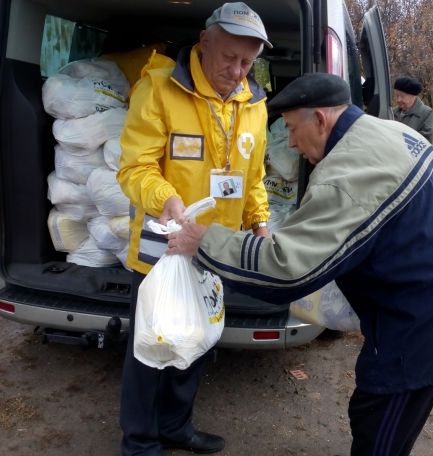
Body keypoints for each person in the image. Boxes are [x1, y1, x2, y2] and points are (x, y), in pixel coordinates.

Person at [167, 73, 433, 455]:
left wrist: (204, 241)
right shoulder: (388, 131)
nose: (290, 142)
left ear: (321, 120)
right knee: (375, 412)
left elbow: (287, 269)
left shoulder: (343, 174)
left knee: (381, 426)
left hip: (424, 319)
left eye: (291, 128)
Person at [116, 2, 272, 454]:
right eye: (230, 58)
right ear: (205, 42)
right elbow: (135, 168)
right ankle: (140, 442)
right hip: (162, 247)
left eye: (248, 63)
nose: (238, 72)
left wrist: (259, 221)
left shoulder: (255, 104)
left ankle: (176, 427)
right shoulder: (160, 89)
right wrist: (166, 198)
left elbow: (253, 176)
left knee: (198, 340)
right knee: (152, 347)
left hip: (215, 248)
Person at [393, 76, 433, 143]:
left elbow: (426, 140)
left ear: (413, 96)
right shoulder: (392, 111)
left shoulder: (426, 113)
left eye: (402, 96)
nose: (398, 100)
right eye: (397, 96)